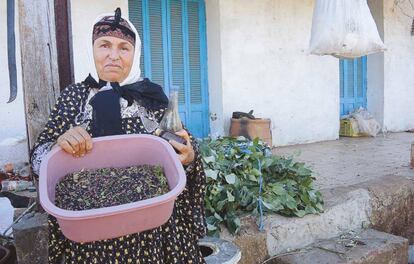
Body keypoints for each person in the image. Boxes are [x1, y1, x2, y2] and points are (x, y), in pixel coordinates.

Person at [30, 8, 206, 264]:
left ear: (135, 54)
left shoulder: (151, 98)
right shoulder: (73, 98)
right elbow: (38, 160)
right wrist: (59, 144)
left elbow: (185, 148)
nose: (113, 56)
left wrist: (189, 156)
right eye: (104, 45)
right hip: (90, 233)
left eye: (124, 48)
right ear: (92, 49)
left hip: (151, 230)